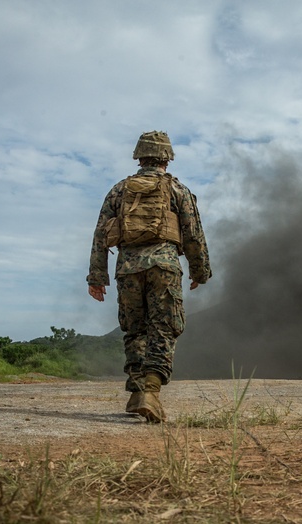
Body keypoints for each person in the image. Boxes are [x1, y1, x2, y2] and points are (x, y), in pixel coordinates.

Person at [87, 130, 211, 423]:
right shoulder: (177, 190)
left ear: (139, 156)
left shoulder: (118, 190)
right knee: (163, 327)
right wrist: (199, 271)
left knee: (135, 329)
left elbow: (100, 235)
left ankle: (137, 391)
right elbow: (193, 234)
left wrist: (97, 276)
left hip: (127, 269)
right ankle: (151, 393)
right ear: (166, 158)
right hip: (164, 267)